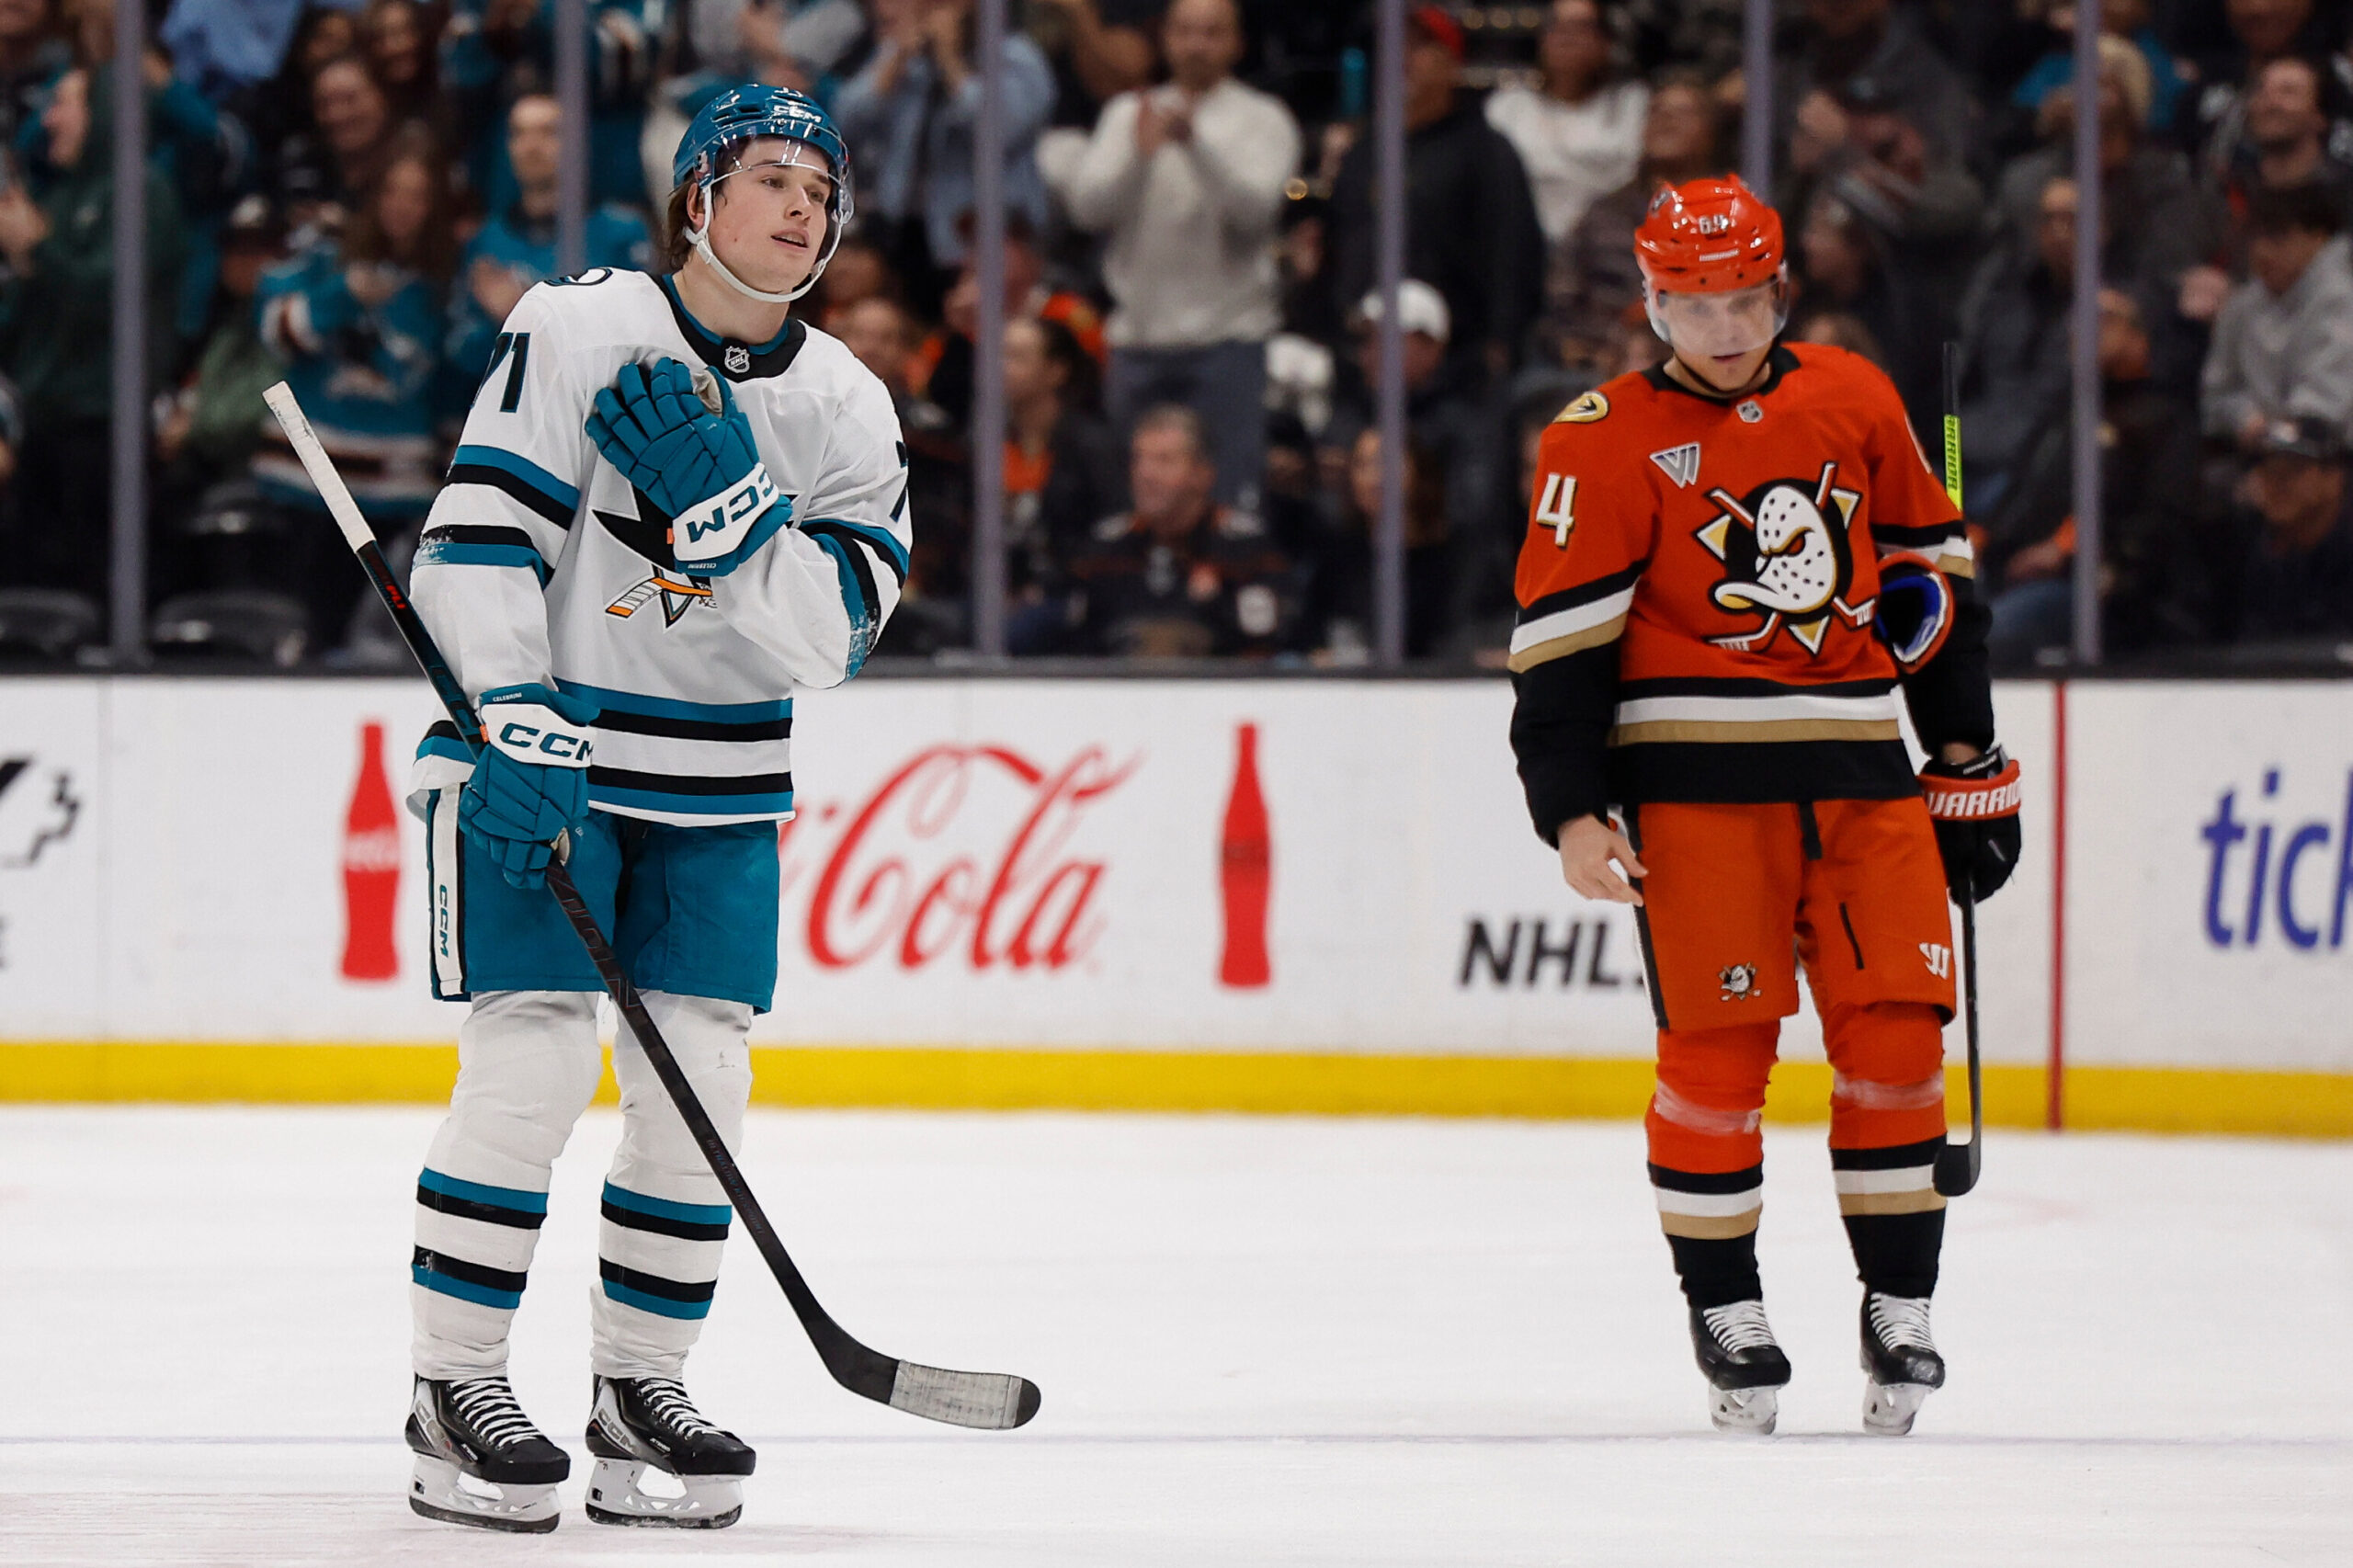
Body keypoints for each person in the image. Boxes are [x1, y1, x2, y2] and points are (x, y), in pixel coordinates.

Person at [397, 85, 911, 1533]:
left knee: (705, 1093)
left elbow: (829, 641)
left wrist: (738, 513)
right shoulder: (576, 326)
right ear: (698, 197)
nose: (803, 206)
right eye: (768, 176)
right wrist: (510, 711)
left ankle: (640, 1386)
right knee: (533, 1070)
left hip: (719, 790)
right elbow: (474, 539)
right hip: (550, 762)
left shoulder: (845, 407)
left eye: (823, 186)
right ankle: (455, 1386)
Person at [1506, 176, 2018, 1438]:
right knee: (1717, 1068)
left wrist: (1965, 754)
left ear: (1781, 289)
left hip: (1865, 782)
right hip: (1695, 797)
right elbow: (1561, 647)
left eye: (1744, 298)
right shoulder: (1598, 437)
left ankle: (1900, 1303)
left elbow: (1932, 589)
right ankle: (1726, 1303)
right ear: (1652, 300)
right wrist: (1572, 810)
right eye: (1693, 302)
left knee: (1899, 1045)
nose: (1723, 326)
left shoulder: (1855, 395)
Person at [1065, 0, 1298, 512]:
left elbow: (1256, 212)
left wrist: (1197, 146)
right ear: (1166, 38)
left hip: (1228, 340)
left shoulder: (1263, 118)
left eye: (1213, 33)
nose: (1197, 45)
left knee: (1227, 505)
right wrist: (1138, 155)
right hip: (1139, 339)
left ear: (1236, 43)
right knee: (1132, 505)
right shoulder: (1128, 113)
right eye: (1186, 31)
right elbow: (1086, 209)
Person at [255, 136, 456, 645]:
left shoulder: (450, 285)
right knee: (300, 634)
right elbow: (276, 332)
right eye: (393, 191)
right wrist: (341, 296)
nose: (403, 207)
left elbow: (454, 386)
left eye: (417, 196)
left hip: (395, 495)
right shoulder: (326, 259)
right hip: (306, 483)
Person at [1325, 5, 1544, 388]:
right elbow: (1340, 244)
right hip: (1367, 357)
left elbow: (1512, 251)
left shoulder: (1486, 150)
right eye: (1396, 45)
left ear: (1452, 62)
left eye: (1420, 46)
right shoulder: (1364, 152)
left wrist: (1502, 341)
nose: (1403, 57)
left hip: (1459, 361)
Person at [833, 0, 1052, 311]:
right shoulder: (904, 55)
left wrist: (951, 62)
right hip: (901, 230)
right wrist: (895, 62)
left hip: (977, 237)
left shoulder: (1014, 55)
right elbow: (845, 119)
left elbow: (1003, 128)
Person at [447, 93, 654, 392]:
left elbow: (637, 346)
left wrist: (521, 315)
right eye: (519, 134)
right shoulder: (485, 241)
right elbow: (462, 354)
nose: (531, 147)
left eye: (548, 132)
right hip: (511, 419)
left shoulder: (621, 233)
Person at [1068, 403, 1295, 656]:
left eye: (1163, 460)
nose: (1145, 473)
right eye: (1138, 459)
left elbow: (1270, 643)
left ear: (1203, 474)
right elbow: (1078, 646)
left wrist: (1215, 604)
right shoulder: (1104, 549)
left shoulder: (1248, 550)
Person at [1539, 72, 1723, 372]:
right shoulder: (1602, 214)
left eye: (1683, 113)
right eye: (1657, 112)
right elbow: (1561, 302)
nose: (1667, 121)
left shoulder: (1733, 216)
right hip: (1602, 366)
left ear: (1711, 132)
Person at [2201, 180, 2353, 451]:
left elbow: (2326, 409)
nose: (2262, 251)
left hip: (2333, 456)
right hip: (2262, 450)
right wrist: (2244, 417)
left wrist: (2282, 433)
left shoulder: (2342, 297)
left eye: (2278, 238)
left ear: (2318, 238)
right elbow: (2217, 394)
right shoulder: (2242, 305)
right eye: (2255, 238)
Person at [1483, 0, 1647, 247]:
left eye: (1581, 27)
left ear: (1606, 42)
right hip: (1523, 244)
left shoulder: (1634, 105)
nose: (1567, 37)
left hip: (1613, 247)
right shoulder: (1508, 107)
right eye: (1556, 26)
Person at [2224, 414, 2353, 642]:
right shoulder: (2259, 548)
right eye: (2269, 470)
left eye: (2293, 470)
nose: (2277, 483)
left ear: (2334, 477)